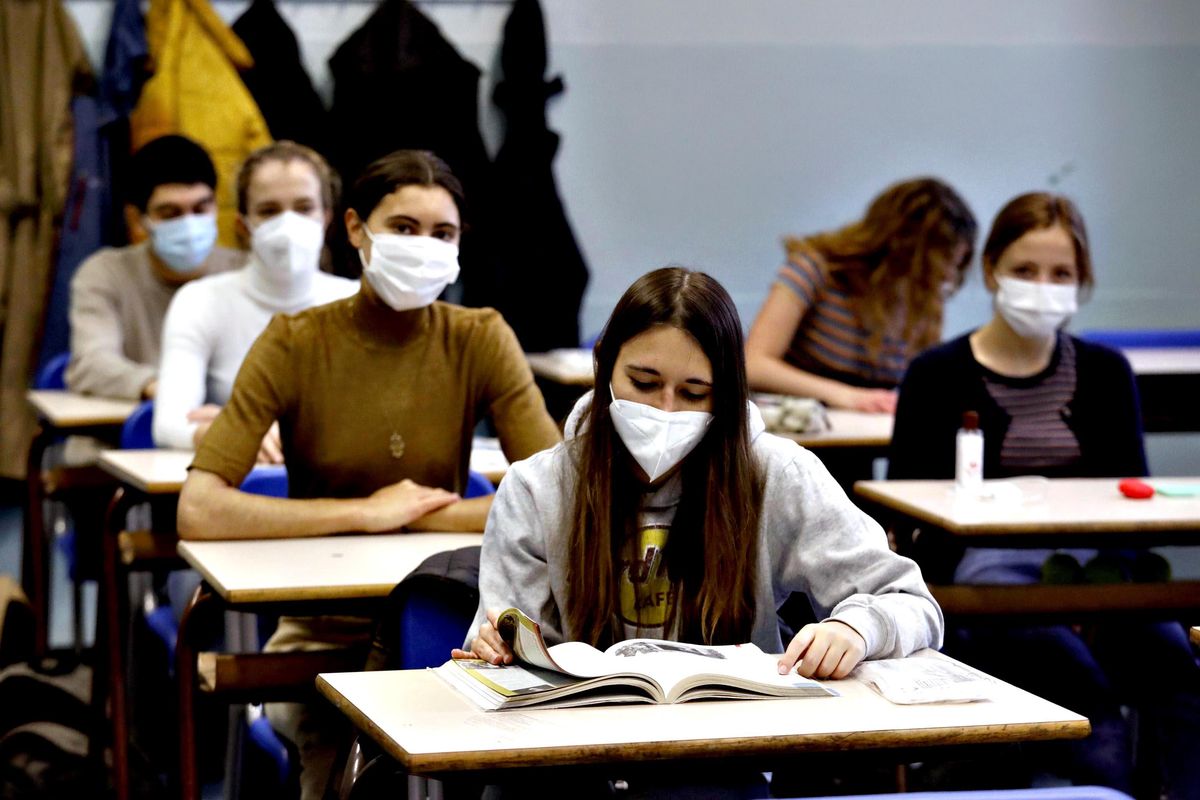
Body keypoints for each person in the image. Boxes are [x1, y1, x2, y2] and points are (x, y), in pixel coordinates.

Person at [177, 149, 561, 800]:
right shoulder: (294, 340)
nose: (423, 246)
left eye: (442, 234)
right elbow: (200, 508)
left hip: (455, 618)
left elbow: (557, 499)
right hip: (321, 620)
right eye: (403, 228)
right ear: (355, 230)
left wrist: (418, 513)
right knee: (342, 775)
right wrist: (362, 511)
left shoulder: (480, 336)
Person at [459, 266, 941, 676]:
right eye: (644, 383)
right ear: (604, 364)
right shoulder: (538, 488)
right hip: (576, 752)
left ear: (727, 392)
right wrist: (496, 651)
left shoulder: (776, 473)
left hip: (727, 750)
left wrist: (856, 627)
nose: (665, 410)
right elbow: (505, 643)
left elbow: (912, 602)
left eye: (694, 393)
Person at [888, 192, 1200, 798]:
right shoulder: (936, 374)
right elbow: (903, 516)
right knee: (1089, 706)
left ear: (1082, 282)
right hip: (985, 592)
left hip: (1104, 582)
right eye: (1026, 270)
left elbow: (1133, 503)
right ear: (990, 271)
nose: (1043, 287)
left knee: (1180, 676)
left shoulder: (1108, 373)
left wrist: (1101, 597)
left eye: (1062, 274)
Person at [152, 141, 358, 456]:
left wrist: (240, 422)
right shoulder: (200, 301)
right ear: (242, 224)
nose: (288, 224)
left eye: (304, 208)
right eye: (269, 211)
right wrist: (232, 434)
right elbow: (168, 425)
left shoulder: (358, 303)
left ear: (327, 217)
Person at [745, 177, 976, 414]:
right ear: (902, 246)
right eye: (942, 263)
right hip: (799, 437)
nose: (949, 276)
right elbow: (753, 364)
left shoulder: (924, 299)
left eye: (956, 265)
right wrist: (846, 396)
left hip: (867, 441)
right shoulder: (817, 269)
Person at [66, 135, 244, 400]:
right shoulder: (104, 273)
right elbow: (91, 363)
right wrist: (162, 388)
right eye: (170, 213)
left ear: (216, 206)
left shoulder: (245, 272)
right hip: (127, 427)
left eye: (200, 208)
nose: (189, 224)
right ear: (137, 219)